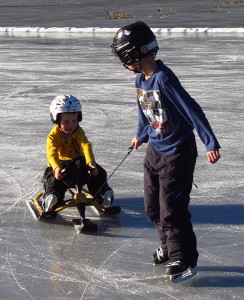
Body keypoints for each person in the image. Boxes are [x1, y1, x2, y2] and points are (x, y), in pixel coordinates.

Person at [111, 21, 221, 277]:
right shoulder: (140, 78)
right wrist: (140, 135)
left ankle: (183, 257)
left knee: (172, 209)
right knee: (152, 208)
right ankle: (168, 246)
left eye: (123, 58)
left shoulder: (164, 78)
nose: (123, 64)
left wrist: (210, 141)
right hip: (155, 152)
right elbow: (144, 111)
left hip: (177, 153)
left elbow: (192, 110)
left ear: (136, 54)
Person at [42, 94, 114, 231]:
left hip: (78, 163)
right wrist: (56, 168)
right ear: (56, 120)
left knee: (98, 172)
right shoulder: (53, 136)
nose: (71, 125)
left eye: (74, 121)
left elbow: (86, 145)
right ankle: (52, 197)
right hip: (61, 165)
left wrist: (91, 163)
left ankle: (102, 193)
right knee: (51, 178)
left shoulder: (79, 131)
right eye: (66, 122)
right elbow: (51, 154)